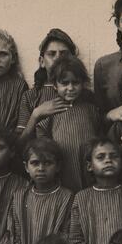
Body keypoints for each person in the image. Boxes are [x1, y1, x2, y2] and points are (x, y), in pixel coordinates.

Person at [2, 138, 74, 244]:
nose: (41, 168)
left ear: (58, 167)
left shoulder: (66, 197)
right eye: (35, 163)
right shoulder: (20, 197)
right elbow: (16, 237)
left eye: (47, 163)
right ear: (26, 167)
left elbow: (66, 236)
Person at [36, 56, 103, 191]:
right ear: (55, 85)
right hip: (64, 165)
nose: (71, 88)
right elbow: (41, 134)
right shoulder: (51, 108)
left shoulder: (90, 108)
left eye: (75, 82)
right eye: (64, 83)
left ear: (83, 83)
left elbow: (99, 131)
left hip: (87, 164)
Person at [18, 28, 79, 141]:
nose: (58, 58)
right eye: (52, 54)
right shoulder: (30, 96)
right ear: (42, 61)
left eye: (63, 54)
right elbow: (19, 144)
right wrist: (36, 115)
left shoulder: (81, 93)